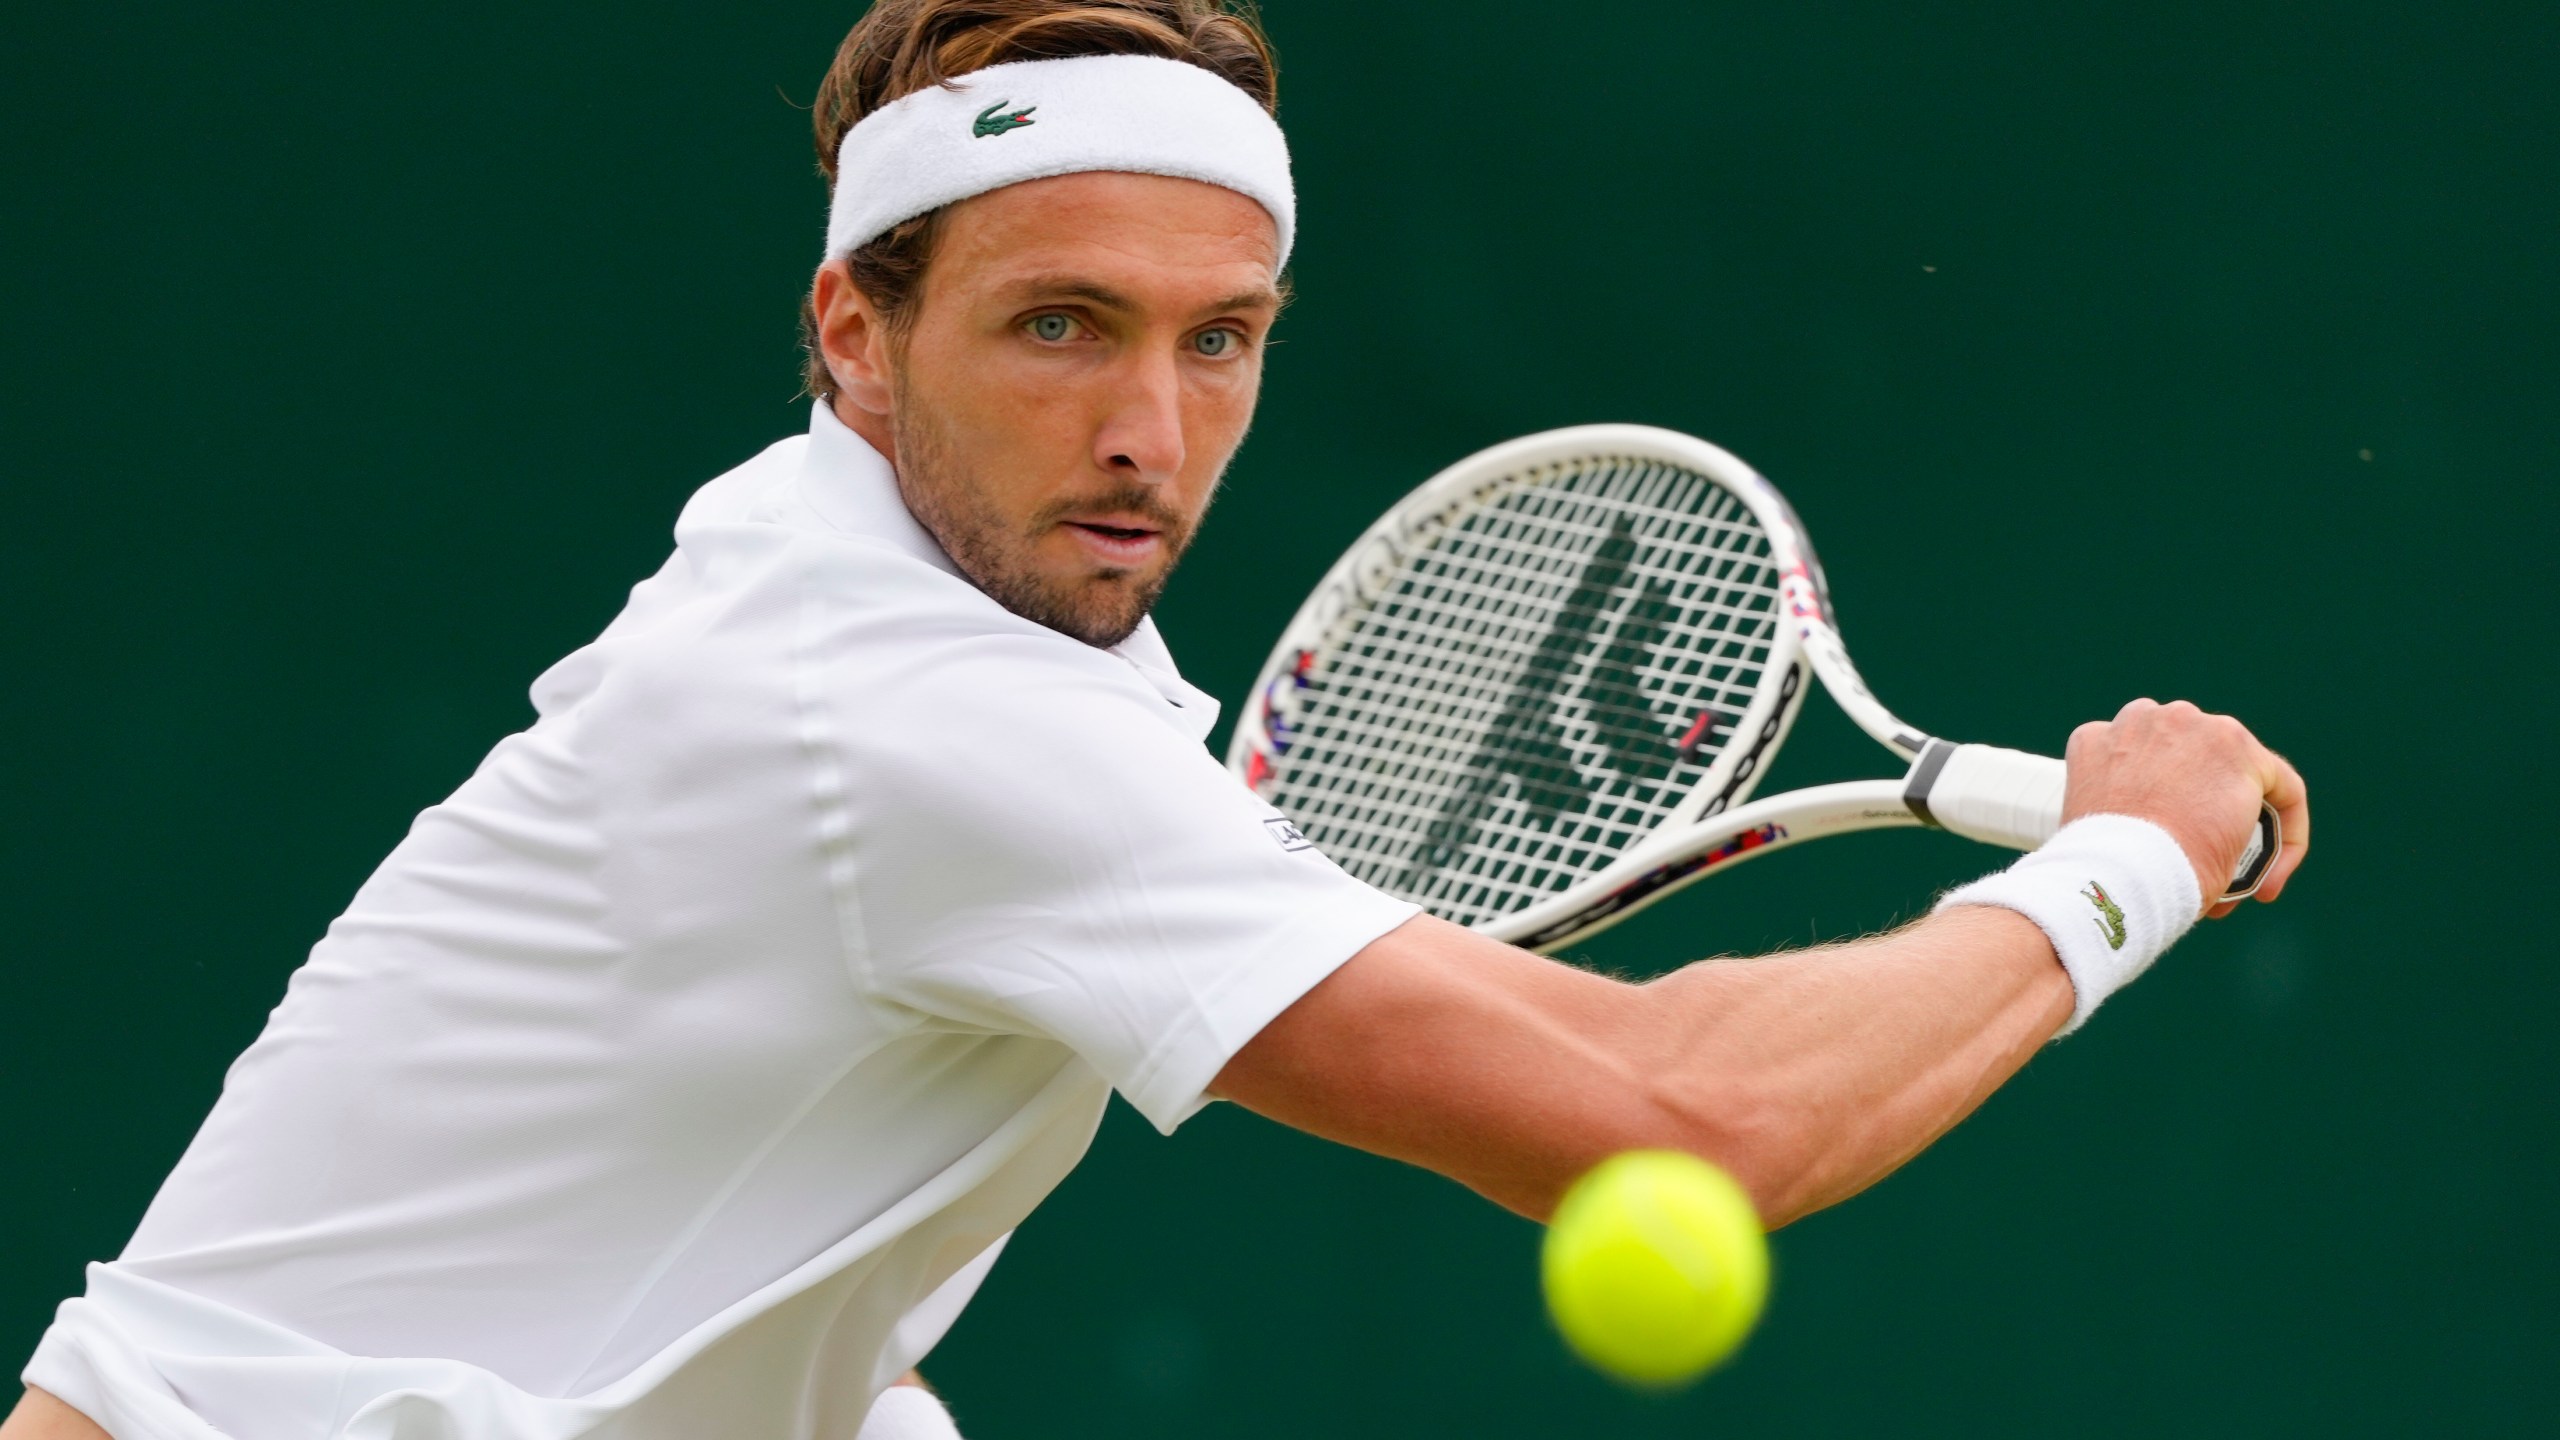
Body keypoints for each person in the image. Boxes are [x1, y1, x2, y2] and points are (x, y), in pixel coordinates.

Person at [3, 2, 2310, 1438]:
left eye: (1219, 337)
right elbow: (1672, 1122)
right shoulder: (909, 720)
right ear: (852, 333)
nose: (1149, 426)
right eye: (1059, 326)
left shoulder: (861, 608)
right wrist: (2121, 862)